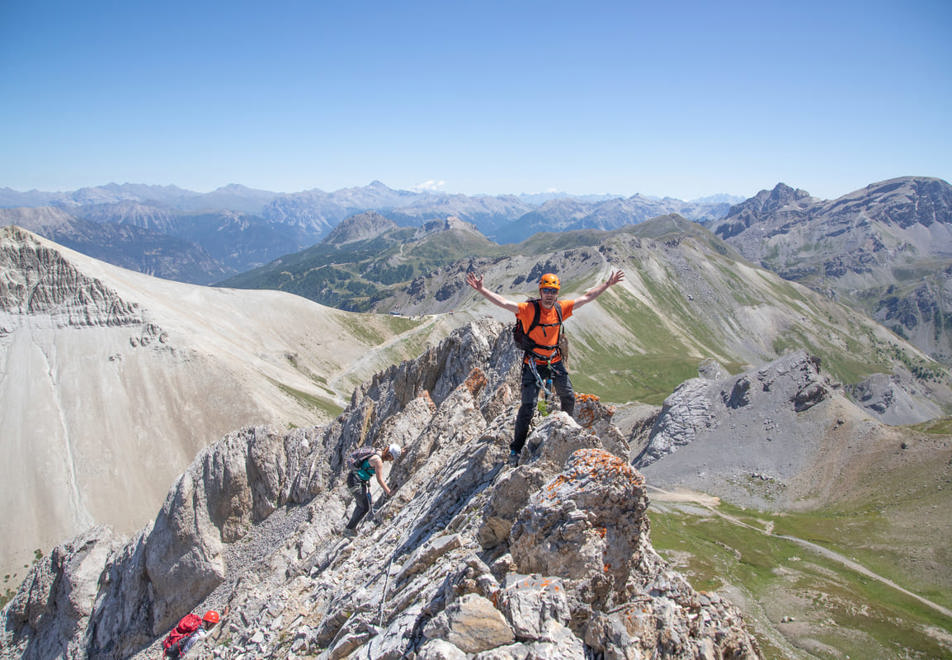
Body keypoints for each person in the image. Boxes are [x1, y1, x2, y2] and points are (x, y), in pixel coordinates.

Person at [465, 269, 625, 460]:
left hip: (554, 362)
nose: (549, 295)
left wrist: (607, 284)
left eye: (553, 291)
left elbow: (587, 297)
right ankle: (516, 448)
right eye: (546, 291)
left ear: (557, 293)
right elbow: (504, 303)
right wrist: (482, 290)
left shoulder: (560, 308)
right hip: (532, 364)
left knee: (568, 397)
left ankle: (566, 432)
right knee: (528, 406)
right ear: (540, 292)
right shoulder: (528, 309)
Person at [344, 443, 402, 535]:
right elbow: (380, 480)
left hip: (354, 479)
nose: (390, 460)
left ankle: (351, 527)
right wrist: (389, 492)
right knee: (364, 507)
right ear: (389, 455)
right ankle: (349, 529)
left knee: (361, 505)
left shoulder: (377, 452)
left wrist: (401, 451)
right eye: (391, 458)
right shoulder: (378, 461)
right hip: (356, 481)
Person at [163, 606, 229, 658]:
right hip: (178, 654)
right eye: (213, 624)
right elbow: (188, 646)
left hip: (175, 650)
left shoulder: (197, 625)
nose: (214, 625)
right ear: (209, 623)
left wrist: (222, 617)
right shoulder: (200, 634)